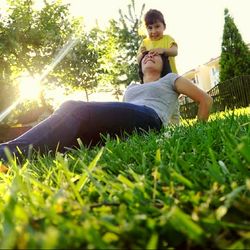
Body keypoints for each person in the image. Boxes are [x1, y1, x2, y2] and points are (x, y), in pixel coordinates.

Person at [0, 51, 213, 170]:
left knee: (72, 108)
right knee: (71, 138)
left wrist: (196, 131)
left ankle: (5, 154)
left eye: (156, 55)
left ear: (164, 63)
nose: (150, 56)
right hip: (130, 126)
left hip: (151, 118)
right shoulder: (132, 88)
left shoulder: (170, 79)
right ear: (140, 66)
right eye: (146, 55)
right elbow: (117, 115)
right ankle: (15, 161)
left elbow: (205, 100)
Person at [137, 9, 180, 124]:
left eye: (157, 26)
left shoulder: (167, 39)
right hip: (152, 82)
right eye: (150, 28)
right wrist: (142, 54)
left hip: (169, 79)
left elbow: (175, 51)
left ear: (164, 26)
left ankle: (176, 127)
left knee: (173, 106)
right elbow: (138, 60)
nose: (154, 31)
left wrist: (163, 51)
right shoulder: (145, 43)